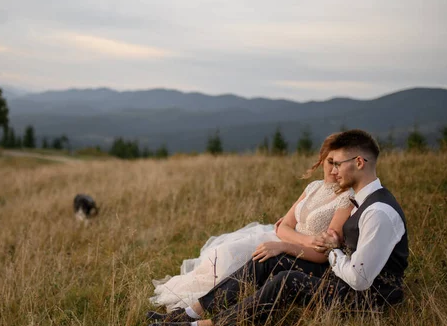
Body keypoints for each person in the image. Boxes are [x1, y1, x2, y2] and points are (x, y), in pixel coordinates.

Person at [147, 129, 408, 326]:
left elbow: (360, 280)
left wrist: (331, 251)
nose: (333, 171)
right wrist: (326, 250)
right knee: (271, 260)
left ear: (359, 162)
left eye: (338, 164)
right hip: (344, 277)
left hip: (369, 298)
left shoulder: (378, 212)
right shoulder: (362, 200)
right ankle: (190, 313)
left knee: (287, 279)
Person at [148, 133, 354, 313]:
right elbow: (282, 226)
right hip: (281, 239)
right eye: (330, 162)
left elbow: (324, 252)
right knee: (223, 254)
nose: (334, 170)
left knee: (250, 260)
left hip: (297, 253)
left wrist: (288, 242)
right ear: (321, 160)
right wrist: (304, 239)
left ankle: (201, 309)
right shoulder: (313, 186)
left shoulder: (346, 198)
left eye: (339, 164)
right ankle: (198, 305)